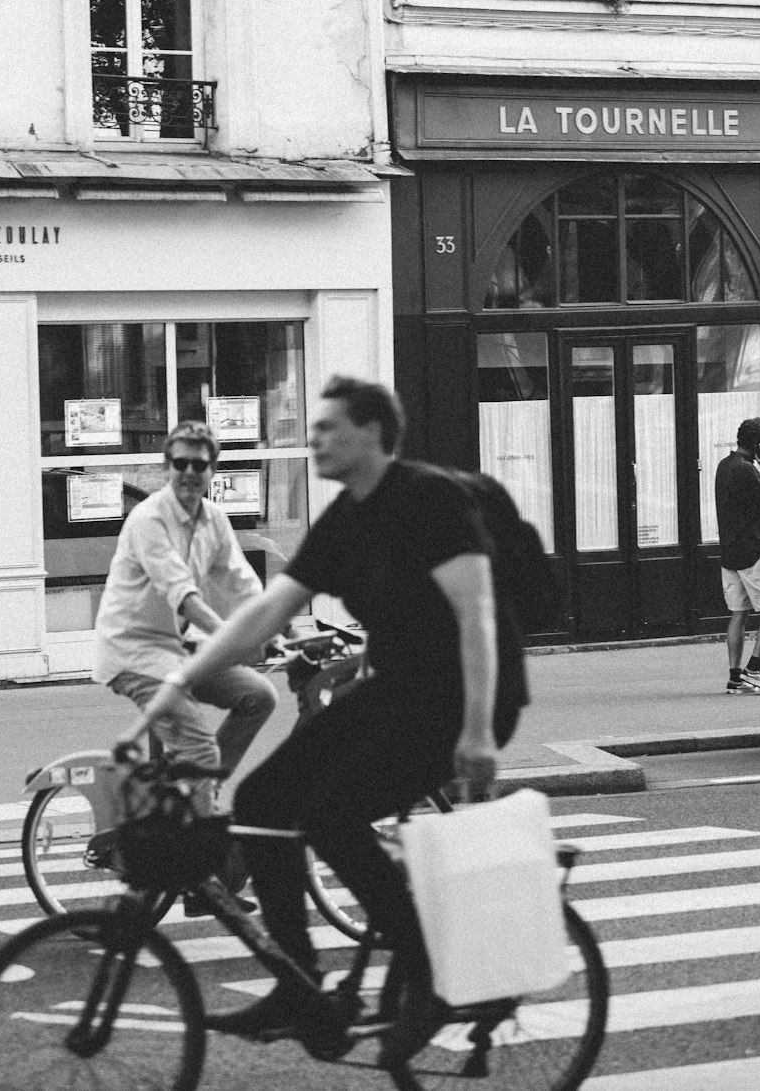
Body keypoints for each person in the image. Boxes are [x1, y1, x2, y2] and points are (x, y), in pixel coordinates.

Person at [119, 376, 529, 1067]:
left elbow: (477, 614)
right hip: (395, 690)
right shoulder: (346, 518)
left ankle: (428, 972)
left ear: (372, 433)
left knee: (333, 815)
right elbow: (264, 612)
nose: (314, 439)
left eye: (330, 428)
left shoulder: (430, 499)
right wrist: (182, 679)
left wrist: (480, 731)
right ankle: (299, 984)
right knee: (260, 800)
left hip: (460, 699)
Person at [92, 419, 277, 910]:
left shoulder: (213, 518)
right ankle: (205, 876)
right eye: (181, 464)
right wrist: (232, 637)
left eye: (200, 464)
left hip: (177, 650)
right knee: (199, 745)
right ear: (166, 467)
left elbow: (242, 582)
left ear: (213, 470)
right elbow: (183, 593)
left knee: (258, 696)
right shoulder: (149, 519)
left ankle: (197, 799)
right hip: (133, 650)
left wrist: (282, 626)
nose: (190, 473)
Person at [714, 416, 760, 695]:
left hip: (730, 552)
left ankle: (735, 678)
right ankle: (754, 670)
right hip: (754, 552)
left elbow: (741, 508)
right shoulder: (748, 470)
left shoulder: (725, 466)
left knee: (738, 614)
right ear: (757, 445)